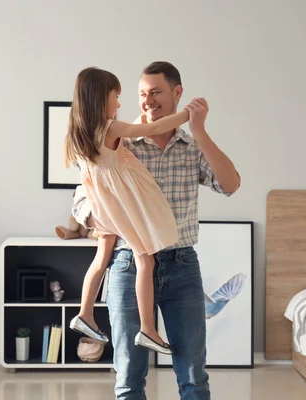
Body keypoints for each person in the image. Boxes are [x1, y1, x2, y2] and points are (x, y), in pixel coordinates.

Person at [72, 61, 241, 400]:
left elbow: (230, 184)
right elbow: (81, 202)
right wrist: (104, 220)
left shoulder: (193, 147)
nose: (147, 101)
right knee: (129, 376)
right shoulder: (120, 140)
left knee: (193, 374)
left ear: (178, 93)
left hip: (182, 266)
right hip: (126, 263)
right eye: (141, 94)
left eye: (156, 93)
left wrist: (201, 131)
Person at [65, 66, 200, 355]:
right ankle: (148, 330)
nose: (119, 103)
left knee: (101, 259)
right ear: (101, 98)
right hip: (118, 205)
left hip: (103, 204)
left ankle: (85, 313)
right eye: (116, 96)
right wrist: (188, 115)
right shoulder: (111, 128)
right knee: (145, 259)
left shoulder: (78, 132)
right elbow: (151, 129)